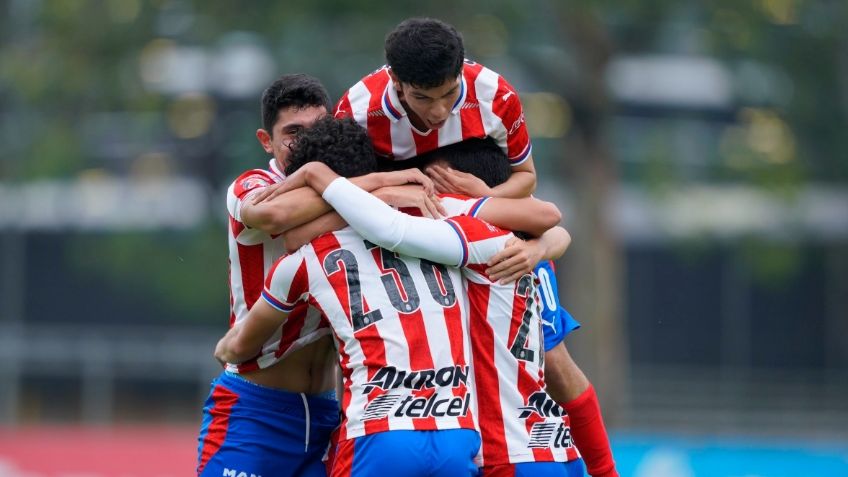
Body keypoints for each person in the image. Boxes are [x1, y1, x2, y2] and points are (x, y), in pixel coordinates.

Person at [215, 117, 569, 477]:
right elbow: (548, 220)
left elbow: (238, 348)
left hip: (376, 431)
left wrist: (225, 351)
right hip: (459, 432)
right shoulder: (441, 218)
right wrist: (538, 248)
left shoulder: (304, 257)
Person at [197, 75, 439, 477]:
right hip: (256, 409)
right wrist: (379, 189)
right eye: (293, 133)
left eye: (317, 130)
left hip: (330, 412)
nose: (306, 145)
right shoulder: (254, 185)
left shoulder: (347, 190)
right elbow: (276, 217)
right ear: (266, 140)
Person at [335, 17, 536, 199]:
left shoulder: (497, 97)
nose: (439, 111)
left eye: (449, 93)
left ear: (460, 71)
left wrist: (488, 195)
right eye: (422, 97)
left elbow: (526, 176)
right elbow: (335, 188)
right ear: (396, 80)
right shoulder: (355, 113)